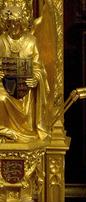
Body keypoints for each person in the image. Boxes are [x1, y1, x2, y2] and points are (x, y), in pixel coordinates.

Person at [0, 0, 51, 142]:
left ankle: (24, 131)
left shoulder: (31, 41)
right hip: (4, 85)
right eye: (10, 23)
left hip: (25, 89)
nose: (14, 26)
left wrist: (35, 78)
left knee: (18, 95)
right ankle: (5, 132)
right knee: (1, 98)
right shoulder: (1, 41)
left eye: (16, 22)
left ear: (22, 22)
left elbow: (38, 67)